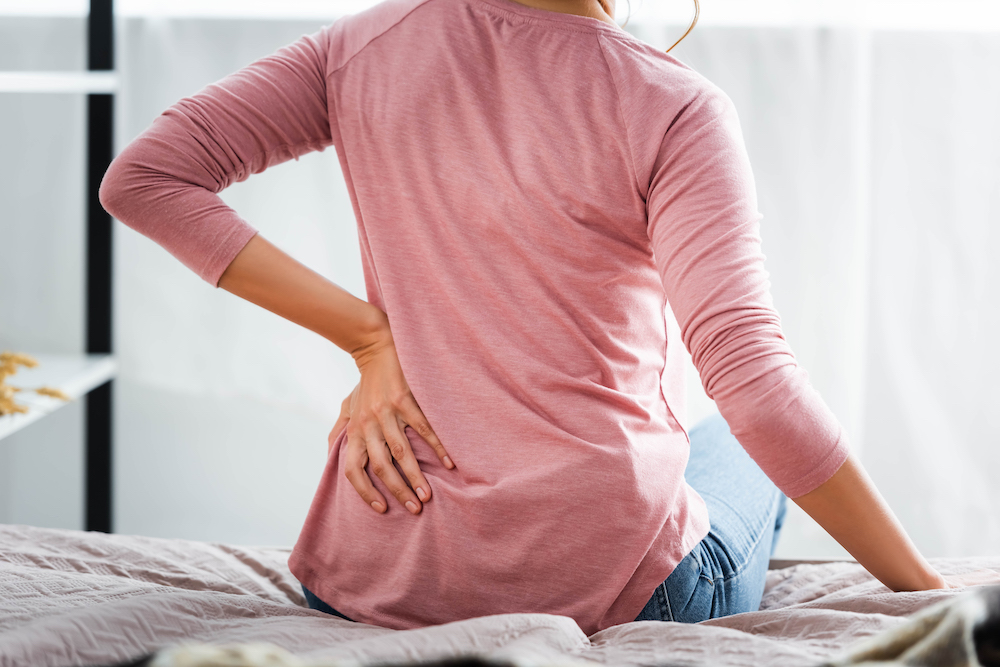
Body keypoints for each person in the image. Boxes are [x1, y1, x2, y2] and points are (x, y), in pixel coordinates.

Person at [99, 0, 966, 636]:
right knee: (737, 443)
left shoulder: (361, 46)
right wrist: (927, 593)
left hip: (367, 578)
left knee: (706, 434)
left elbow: (144, 179)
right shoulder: (670, 104)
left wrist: (370, 338)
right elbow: (756, 387)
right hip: (617, 586)